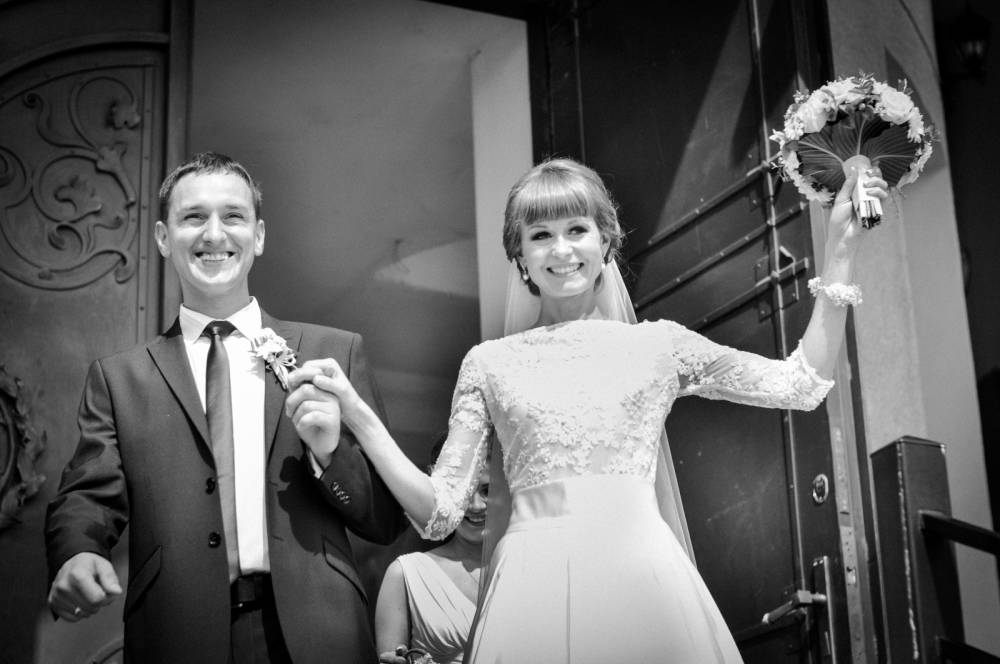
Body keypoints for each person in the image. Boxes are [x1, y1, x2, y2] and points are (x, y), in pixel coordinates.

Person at [285, 157, 887, 663]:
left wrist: (841, 251)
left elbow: (800, 385)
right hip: (530, 590)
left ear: (606, 241)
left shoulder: (660, 345)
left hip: (641, 579)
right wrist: (359, 415)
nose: (561, 249)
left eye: (577, 229)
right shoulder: (488, 364)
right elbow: (439, 514)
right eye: (540, 235)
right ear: (520, 255)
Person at [45, 152, 405, 664]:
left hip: (318, 633)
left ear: (258, 236)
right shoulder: (119, 379)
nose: (214, 234)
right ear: (163, 238)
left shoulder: (333, 354)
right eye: (193, 217)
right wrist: (78, 550)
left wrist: (330, 457)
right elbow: (87, 495)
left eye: (233, 216)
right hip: (176, 634)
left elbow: (387, 521)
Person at [375, 440, 489, 664]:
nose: (475, 506)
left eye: (487, 491)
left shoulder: (533, 570)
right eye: (463, 491)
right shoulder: (405, 573)